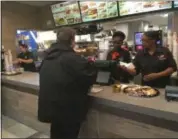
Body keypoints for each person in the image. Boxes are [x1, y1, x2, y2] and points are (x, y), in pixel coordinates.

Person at [38, 27, 96, 139]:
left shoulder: (48, 57)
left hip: (52, 108)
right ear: (72, 41)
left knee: (56, 134)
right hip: (67, 110)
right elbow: (89, 76)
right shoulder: (71, 58)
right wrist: (92, 65)